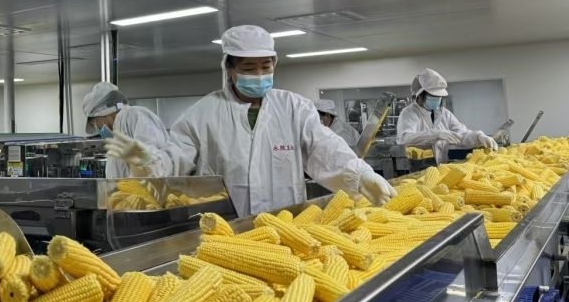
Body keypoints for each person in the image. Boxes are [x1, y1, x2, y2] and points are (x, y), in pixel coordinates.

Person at [144, 25, 395, 217]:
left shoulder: (293, 108)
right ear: (229, 69)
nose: (259, 75)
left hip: (285, 224)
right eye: (249, 68)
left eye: (266, 67)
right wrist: (148, 167)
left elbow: (325, 147)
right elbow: (175, 158)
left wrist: (361, 175)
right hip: (225, 228)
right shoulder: (203, 113)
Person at [81, 81, 185, 178]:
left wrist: (143, 161)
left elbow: (155, 166)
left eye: (95, 122)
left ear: (102, 114)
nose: (97, 128)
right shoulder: (118, 132)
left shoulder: (133, 115)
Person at [396, 69, 498, 159]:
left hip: (442, 164)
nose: (437, 100)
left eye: (439, 97)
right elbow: (404, 139)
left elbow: (461, 134)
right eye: (432, 96)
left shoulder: (444, 113)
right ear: (420, 96)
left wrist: (478, 136)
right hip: (418, 165)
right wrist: (436, 134)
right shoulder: (409, 113)